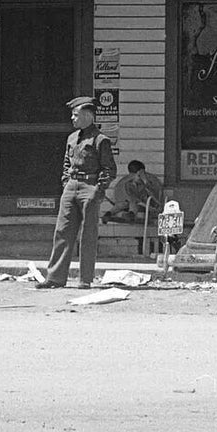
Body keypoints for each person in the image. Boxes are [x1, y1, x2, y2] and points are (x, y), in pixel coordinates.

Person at [36, 96, 117, 290]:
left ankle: (85, 279)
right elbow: (66, 163)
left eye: (76, 115)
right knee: (62, 231)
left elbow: (109, 169)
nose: (72, 118)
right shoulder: (72, 138)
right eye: (72, 115)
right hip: (71, 186)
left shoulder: (100, 140)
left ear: (88, 116)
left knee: (88, 234)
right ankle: (55, 277)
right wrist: (66, 183)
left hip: (90, 187)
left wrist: (98, 190)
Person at [102, 159, 163, 223]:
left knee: (131, 203)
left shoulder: (143, 185)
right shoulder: (128, 185)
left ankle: (130, 214)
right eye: (139, 175)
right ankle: (110, 214)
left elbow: (152, 195)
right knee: (123, 204)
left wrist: (157, 204)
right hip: (134, 203)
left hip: (142, 204)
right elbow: (134, 198)